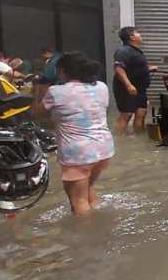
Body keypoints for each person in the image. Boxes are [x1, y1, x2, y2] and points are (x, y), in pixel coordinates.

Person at [34, 51, 114, 216]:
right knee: (88, 189)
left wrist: (38, 92)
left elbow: (36, 113)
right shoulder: (101, 87)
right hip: (103, 149)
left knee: (78, 201)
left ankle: (86, 238)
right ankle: (101, 226)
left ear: (63, 71)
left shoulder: (56, 91)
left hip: (78, 154)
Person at [113, 27, 157, 136]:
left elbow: (134, 67)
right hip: (127, 88)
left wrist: (148, 68)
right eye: (137, 33)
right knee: (126, 114)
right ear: (131, 37)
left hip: (140, 88)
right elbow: (119, 68)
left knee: (141, 112)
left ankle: (139, 139)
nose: (140, 35)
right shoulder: (124, 50)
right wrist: (128, 85)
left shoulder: (136, 51)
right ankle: (118, 140)